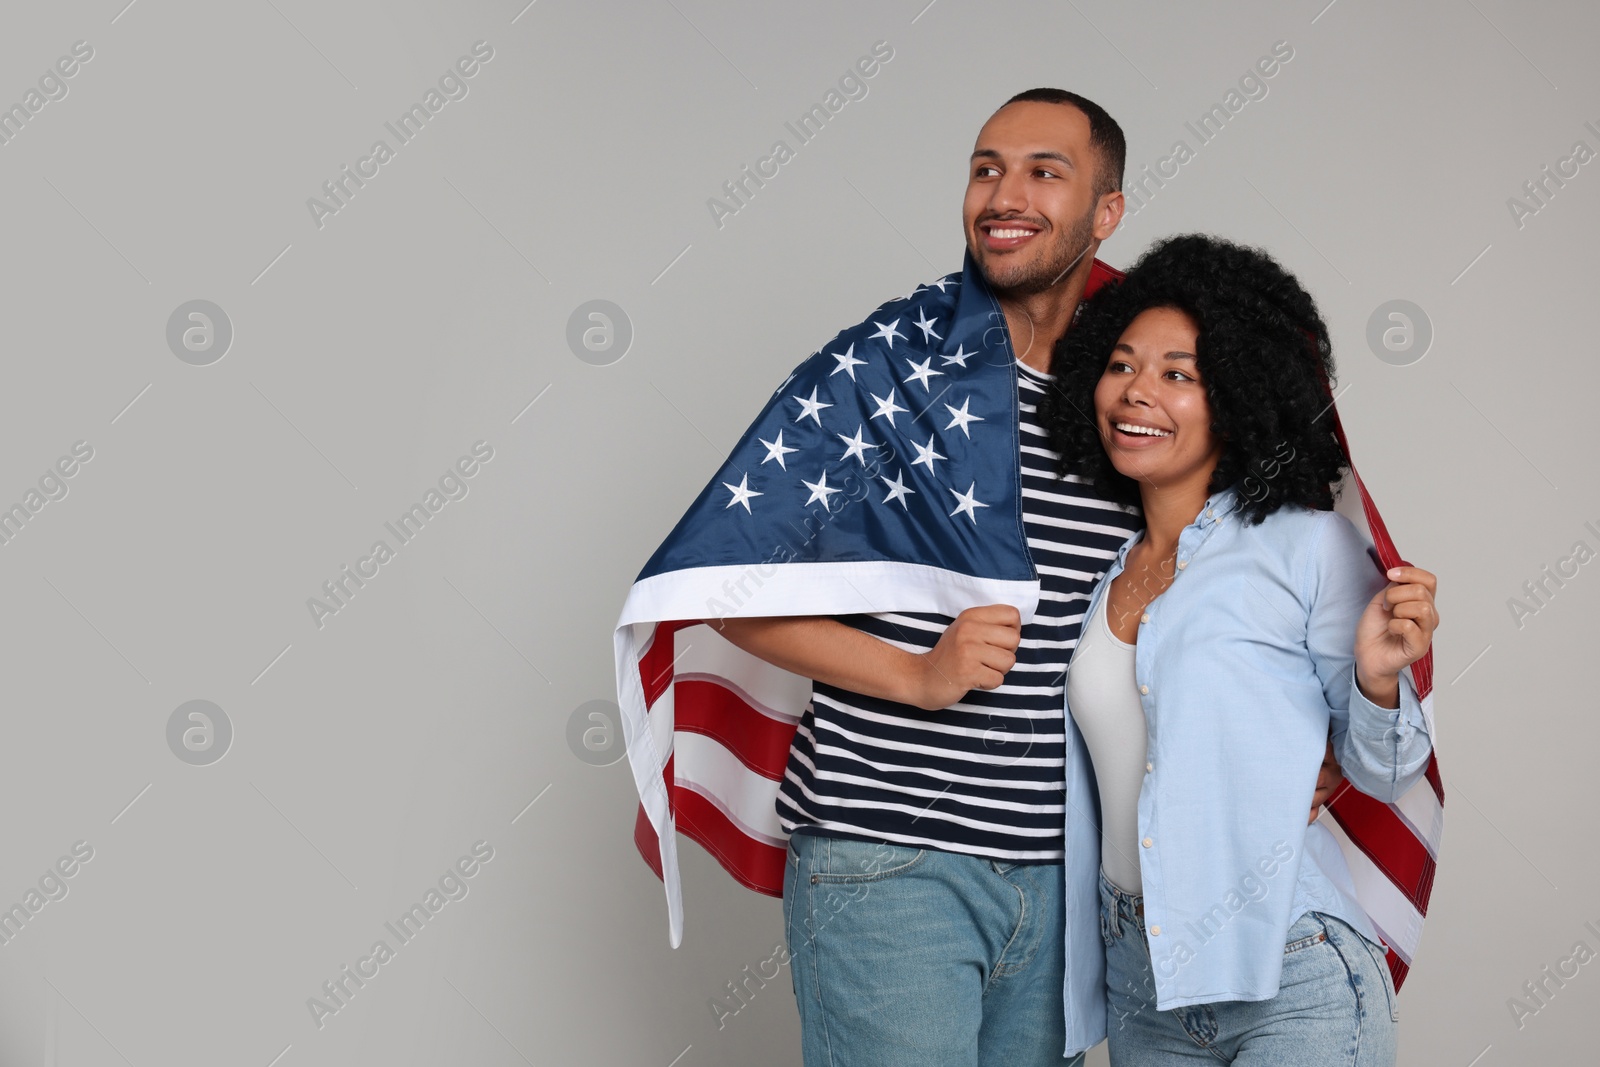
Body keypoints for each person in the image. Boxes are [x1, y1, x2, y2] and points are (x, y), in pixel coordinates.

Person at [1039, 233, 1437, 1065]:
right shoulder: (1101, 576)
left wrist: (1374, 680)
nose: (1138, 391)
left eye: (1178, 374)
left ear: (1239, 396)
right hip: (1143, 981)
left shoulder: (1307, 546)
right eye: (1122, 364)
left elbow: (1387, 770)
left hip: (1291, 971)